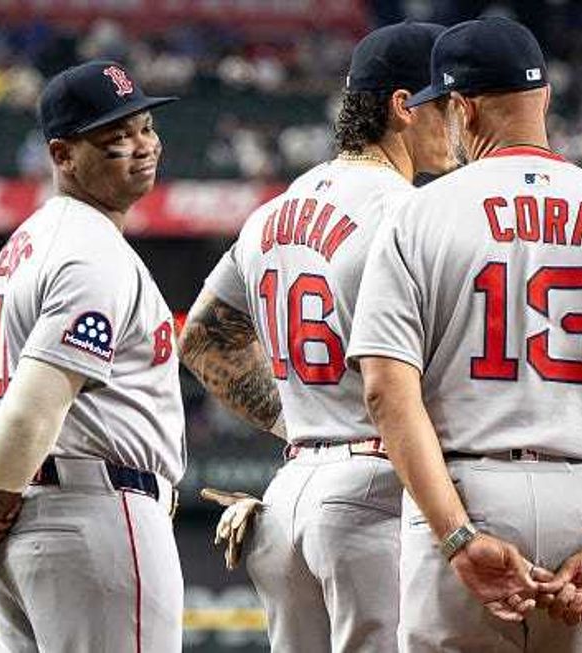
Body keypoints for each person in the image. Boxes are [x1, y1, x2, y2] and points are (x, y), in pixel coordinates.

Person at [347, 17, 582, 652]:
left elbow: (385, 393)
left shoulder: (416, 218)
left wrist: (455, 535)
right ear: (545, 97)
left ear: (460, 107)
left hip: (465, 488)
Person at [178, 22, 455, 653]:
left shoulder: (274, 210)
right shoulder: (409, 211)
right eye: (445, 104)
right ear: (403, 108)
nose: (458, 121)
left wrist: (300, 424)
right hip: (374, 491)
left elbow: (201, 339)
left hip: (291, 490)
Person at [0, 61, 187, 653]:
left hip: (33, 520)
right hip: (96, 511)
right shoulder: (90, 251)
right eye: (115, 138)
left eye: (146, 127)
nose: (141, 147)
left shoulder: (22, 248)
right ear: (63, 154)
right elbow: (25, 414)